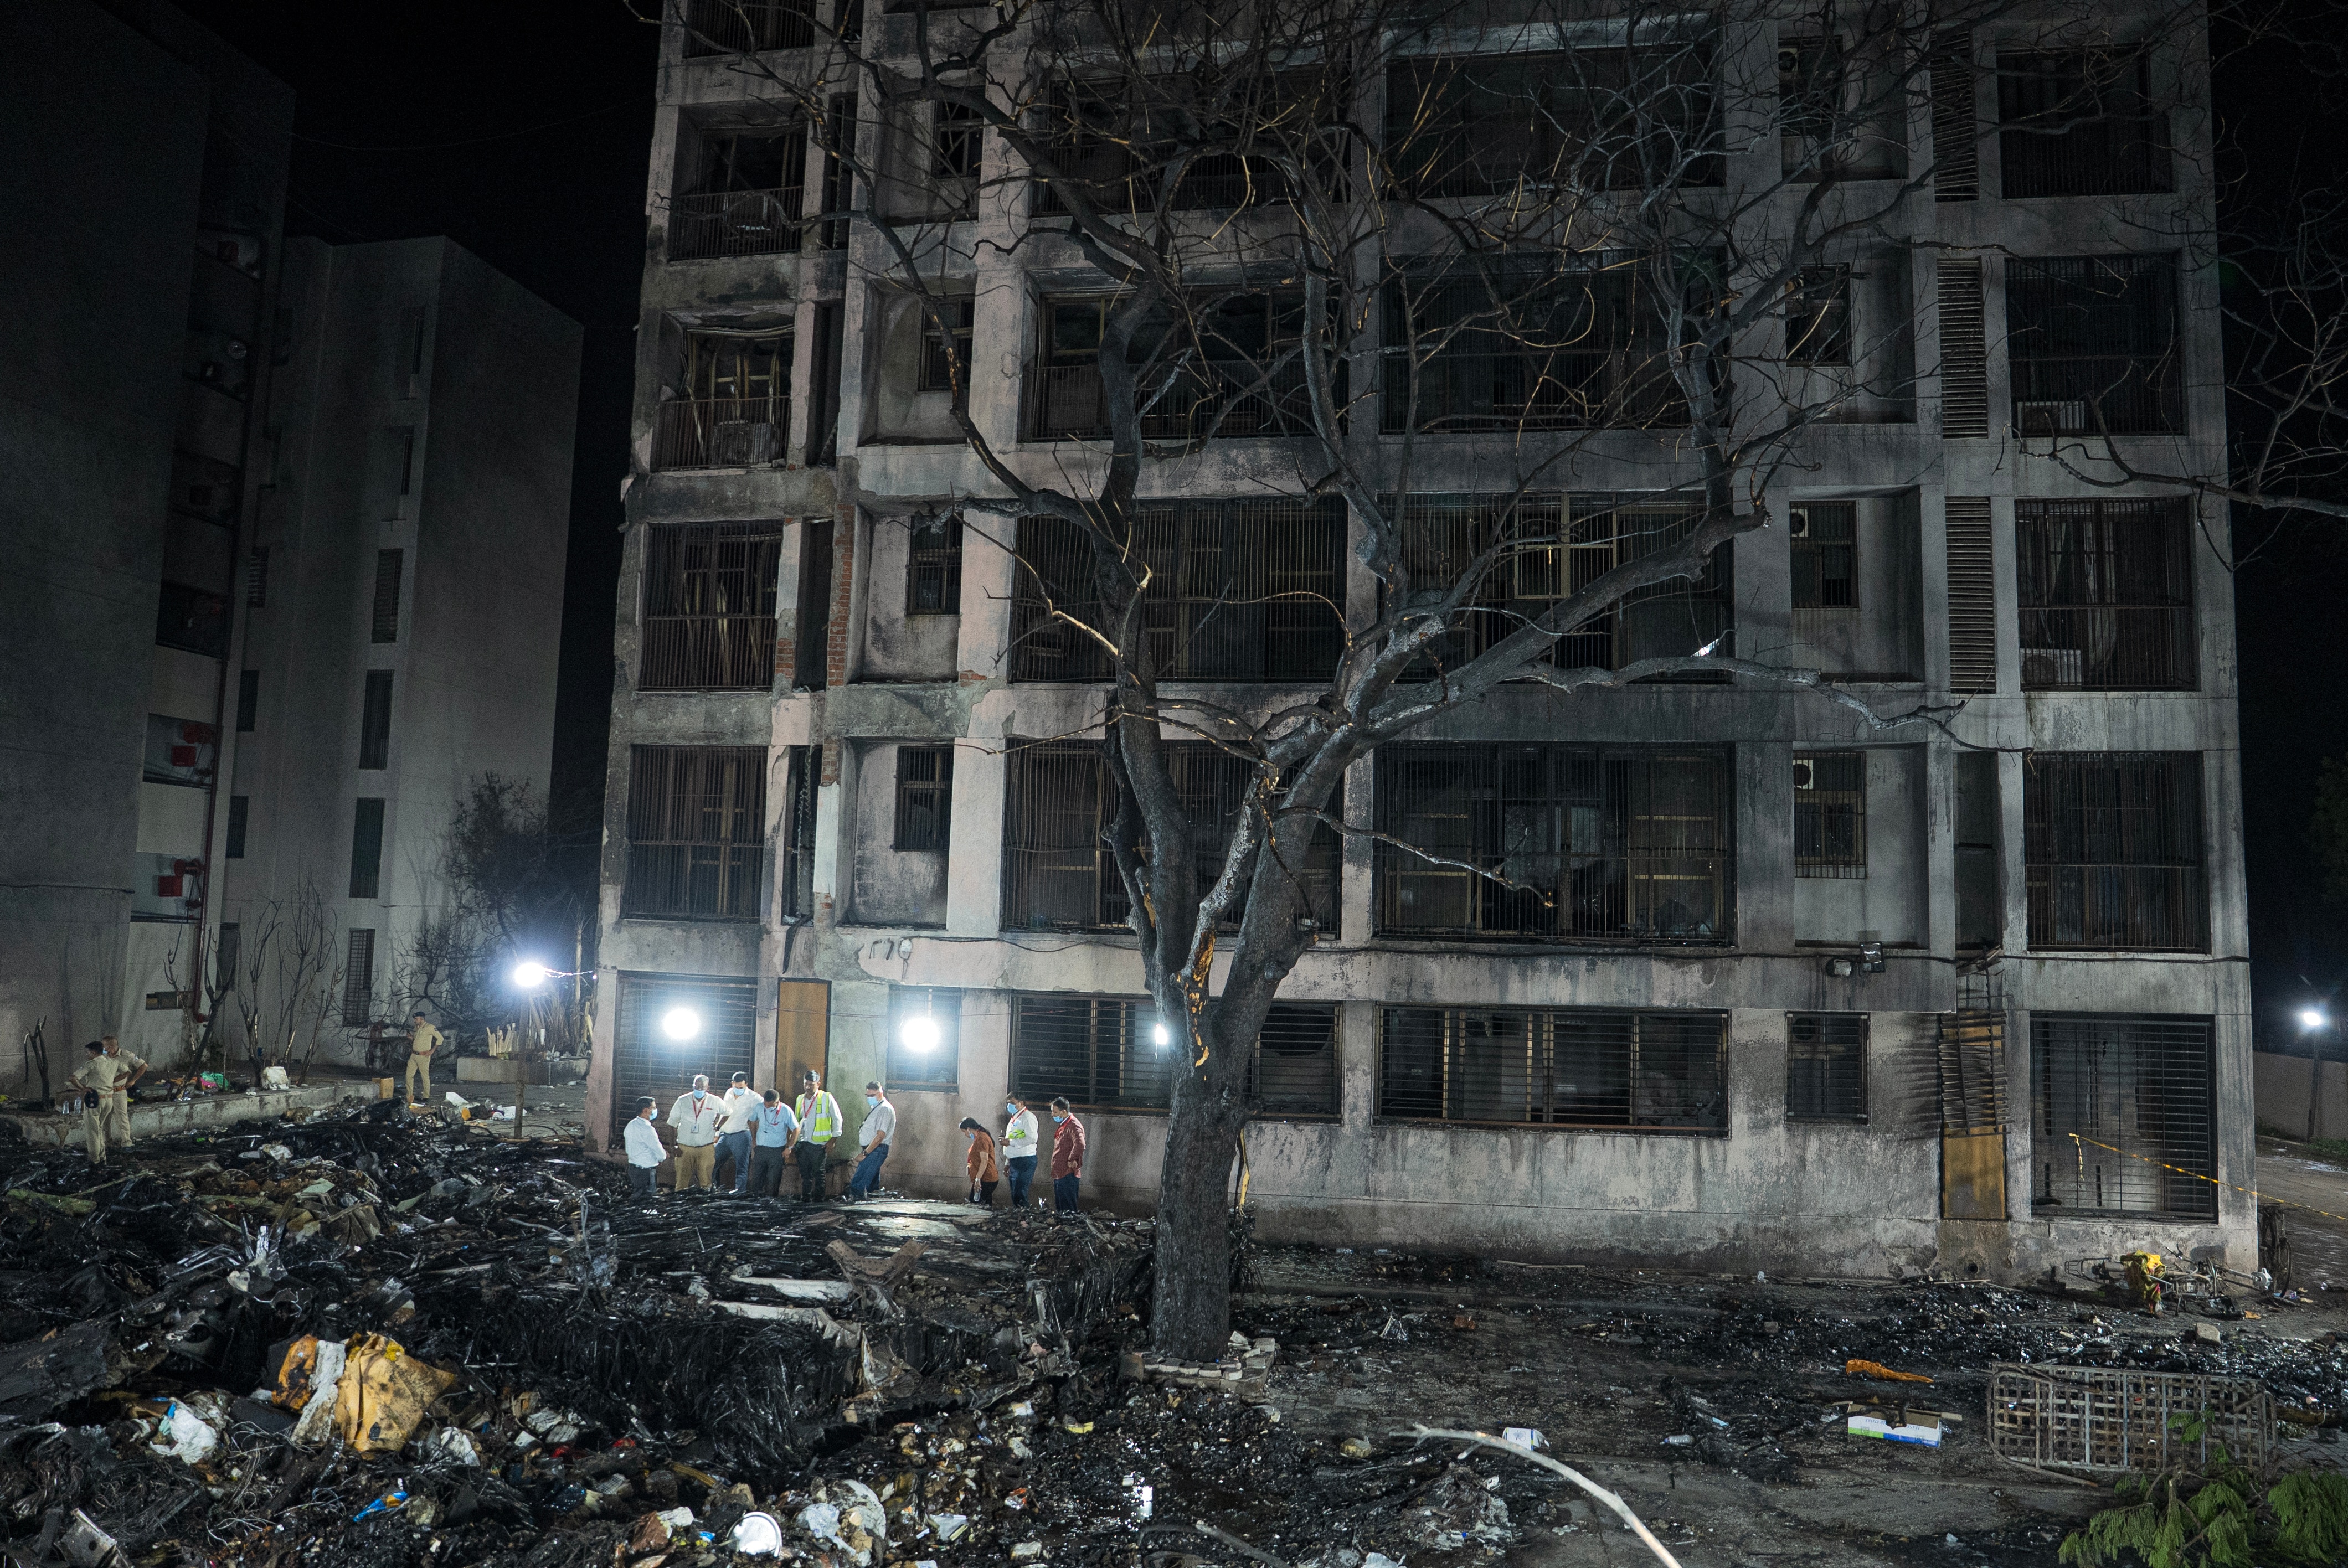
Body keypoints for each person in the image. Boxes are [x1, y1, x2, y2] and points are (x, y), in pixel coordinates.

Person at [70, 1038, 144, 1166]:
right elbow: (128, 1072)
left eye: (88, 1053)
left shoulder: (91, 1064)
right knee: (100, 1128)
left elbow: (73, 1078)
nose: (87, 1055)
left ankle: (95, 1159)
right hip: (109, 1099)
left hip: (95, 1100)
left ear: (94, 1053)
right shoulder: (113, 1062)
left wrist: (83, 1088)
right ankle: (103, 1157)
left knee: (93, 1131)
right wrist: (112, 1082)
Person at [667, 1075, 725, 1193]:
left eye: (702, 1087)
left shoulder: (715, 1101)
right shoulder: (683, 1100)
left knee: (706, 1183)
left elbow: (728, 1112)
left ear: (708, 1088)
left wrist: (718, 1125)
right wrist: (673, 1146)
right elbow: (671, 1125)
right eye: (696, 1086)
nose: (699, 1089)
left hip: (706, 1148)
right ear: (693, 1086)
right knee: (682, 1183)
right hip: (684, 1148)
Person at [792, 1070, 842, 1201]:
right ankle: (805, 1201)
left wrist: (833, 1140)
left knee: (819, 1174)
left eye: (811, 1084)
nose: (808, 1087)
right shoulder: (800, 1099)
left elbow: (837, 1119)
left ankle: (819, 1202)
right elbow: (797, 1122)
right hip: (803, 1144)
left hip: (819, 1145)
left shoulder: (826, 1097)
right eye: (806, 1084)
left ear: (818, 1084)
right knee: (805, 1175)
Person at [749, 1089, 799, 1196]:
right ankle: (754, 1204)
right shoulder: (759, 1107)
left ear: (777, 1102)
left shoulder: (786, 1111)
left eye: (770, 1105)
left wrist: (789, 1148)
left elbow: (796, 1129)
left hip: (777, 1150)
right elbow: (752, 1121)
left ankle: (771, 1204)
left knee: (773, 1181)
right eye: (765, 1105)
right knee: (756, 1179)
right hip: (761, 1148)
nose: (767, 1107)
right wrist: (753, 1139)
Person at [715, 1071, 759, 1194]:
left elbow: (764, 1107)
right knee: (713, 1162)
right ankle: (713, 1189)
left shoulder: (754, 1097)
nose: (738, 1090)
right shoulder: (729, 1092)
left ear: (747, 1085)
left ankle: (739, 1193)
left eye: (741, 1088)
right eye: (736, 1087)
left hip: (741, 1135)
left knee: (742, 1167)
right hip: (725, 1134)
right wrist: (718, 1131)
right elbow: (724, 1113)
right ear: (732, 1084)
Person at [849, 1081, 894, 1201]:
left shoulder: (885, 1109)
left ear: (880, 1094)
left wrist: (865, 1154)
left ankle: (854, 1210)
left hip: (875, 1150)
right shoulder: (877, 1108)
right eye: (868, 1095)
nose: (869, 1098)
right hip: (873, 1150)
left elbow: (880, 1136)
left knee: (859, 1184)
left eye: (872, 1095)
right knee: (872, 1188)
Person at [622, 1096, 668, 1196]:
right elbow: (660, 1152)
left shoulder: (631, 1124)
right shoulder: (648, 1130)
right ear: (646, 1111)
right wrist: (664, 1155)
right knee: (646, 1201)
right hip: (646, 1172)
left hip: (633, 1169)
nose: (656, 1110)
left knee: (637, 1197)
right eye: (654, 1108)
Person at [1001, 1095, 1040, 1208]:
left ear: (1021, 1103)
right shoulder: (1015, 1118)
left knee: (1020, 1194)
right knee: (1015, 1194)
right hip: (1015, 1160)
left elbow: (1032, 1138)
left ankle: (1024, 1219)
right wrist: (1008, 1162)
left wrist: (1010, 1142)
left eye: (1012, 1103)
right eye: (1008, 1103)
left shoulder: (1028, 1117)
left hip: (1025, 1160)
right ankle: (1018, 1219)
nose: (1009, 1106)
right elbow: (1013, 1137)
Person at [1049, 1096, 1086, 1214]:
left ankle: (1071, 1229)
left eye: (1055, 1112)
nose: (1052, 1115)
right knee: (1061, 1207)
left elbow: (1080, 1144)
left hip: (1068, 1173)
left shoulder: (1074, 1125)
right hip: (1060, 1173)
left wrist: (1072, 1159)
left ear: (1064, 1111)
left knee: (1068, 1208)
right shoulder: (1064, 1124)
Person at [404, 1011, 442, 1106]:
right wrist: (411, 1038)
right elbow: (417, 1039)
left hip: (423, 1056)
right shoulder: (416, 1028)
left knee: (424, 1076)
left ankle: (426, 1096)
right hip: (414, 1055)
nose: (415, 1021)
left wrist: (432, 1051)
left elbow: (441, 1039)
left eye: (416, 1019)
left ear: (421, 1019)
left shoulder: (430, 1027)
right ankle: (409, 1096)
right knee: (409, 1075)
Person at [961, 1117, 1000, 1206]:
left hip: (986, 1178)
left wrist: (978, 1179)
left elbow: (984, 1161)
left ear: (969, 1129)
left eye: (964, 1132)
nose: (964, 1134)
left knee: (975, 1205)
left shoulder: (982, 1138)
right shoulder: (978, 1137)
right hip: (983, 1177)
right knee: (986, 1204)